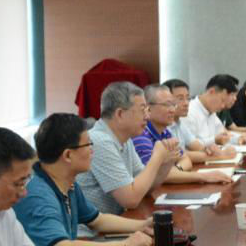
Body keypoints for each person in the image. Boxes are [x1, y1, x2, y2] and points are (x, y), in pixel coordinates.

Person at [13, 113, 155, 246]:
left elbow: (97, 220)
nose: (92, 150)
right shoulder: (38, 195)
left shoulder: (67, 183)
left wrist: (143, 225)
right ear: (68, 155)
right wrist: (125, 245)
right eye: (88, 144)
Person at [77, 81, 181, 214]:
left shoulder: (125, 139)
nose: (147, 116)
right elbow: (130, 200)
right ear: (120, 114)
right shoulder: (99, 141)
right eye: (142, 110)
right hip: (94, 226)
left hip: (117, 220)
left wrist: (167, 162)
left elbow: (146, 188)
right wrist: (157, 157)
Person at [132, 84, 233, 184]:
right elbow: (154, 176)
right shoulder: (141, 136)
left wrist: (176, 171)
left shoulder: (165, 132)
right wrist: (204, 176)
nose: (172, 110)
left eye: (173, 104)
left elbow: (185, 158)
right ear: (148, 109)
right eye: (167, 105)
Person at [163, 77, 233, 164]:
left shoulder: (179, 123)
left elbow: (196, 145)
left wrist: (209, 150)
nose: (186, 103)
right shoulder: (164, 126)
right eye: (180, 98)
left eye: (187, 98)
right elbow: (180, 155)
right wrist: (220, 156)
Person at [178, 73, 246, 147]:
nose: (223, 106)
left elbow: (223, 134)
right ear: (212, 92)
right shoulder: (189, 112)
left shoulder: (211, 112)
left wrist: (238, 138)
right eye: (222, 101)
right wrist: (214, 140)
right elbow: (189, 146)